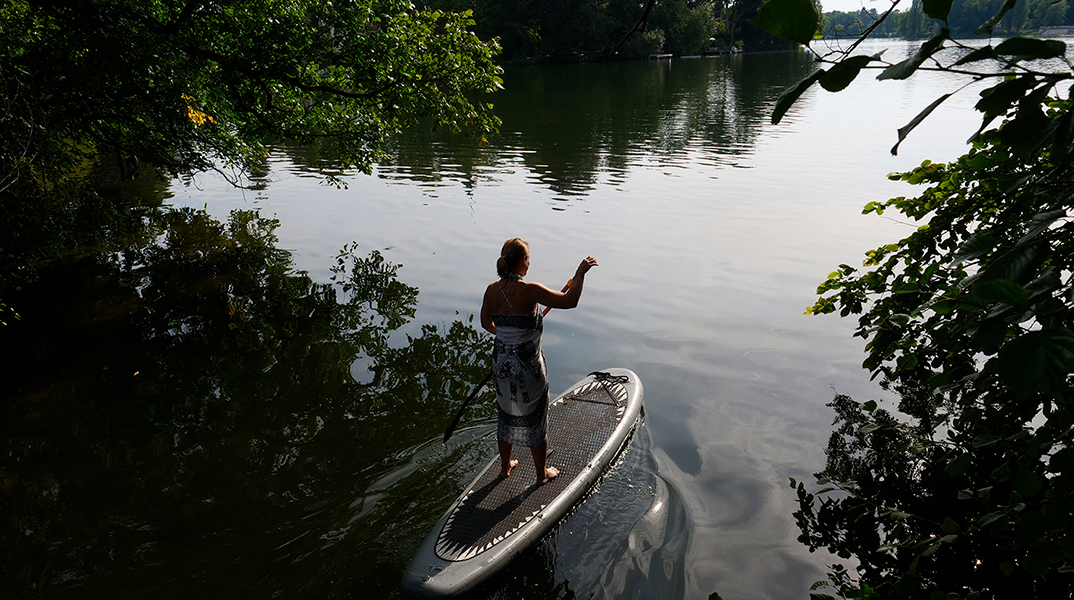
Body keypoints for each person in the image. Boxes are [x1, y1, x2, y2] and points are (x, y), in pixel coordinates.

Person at [480, 238, 598, 485]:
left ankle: (505, 467)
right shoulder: (530, 290)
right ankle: (541, 474)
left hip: (501, 366)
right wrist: (579, 273)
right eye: (528, 258)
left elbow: (486, 323)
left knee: (506, 412)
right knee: (535, 416)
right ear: (523, 261)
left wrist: (508, 337)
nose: (529, 263)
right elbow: (570, 301)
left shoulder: (491, 289)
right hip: (528, 369)